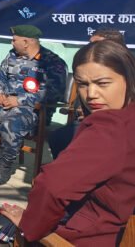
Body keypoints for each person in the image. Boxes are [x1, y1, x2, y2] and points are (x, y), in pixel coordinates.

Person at [0, 40, 135, 245]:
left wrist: (30, 224)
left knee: (3, 236)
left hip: (91, 236)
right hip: (120, 230)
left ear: (129, 80)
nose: (91, 95)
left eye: (103, 83)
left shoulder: (109, 128)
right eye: (83, 84)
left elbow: (51, 187)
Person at [0, 25, 68, 186]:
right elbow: (0, 76)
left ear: (26, 42)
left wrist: (19, 100)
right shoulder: (12, 55)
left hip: (32, 110)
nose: (12, 43)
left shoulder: (52, 62)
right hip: (4, 102)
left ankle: (5, 167)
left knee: (9, 125)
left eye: (14, 40)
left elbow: (54, 93)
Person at [47, 27, 127, 159]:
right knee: (60, 137)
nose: (91, 93)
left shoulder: (127, 71)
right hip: (88, 122)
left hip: (119, 125)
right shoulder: (86, 70)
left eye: (103, 83)